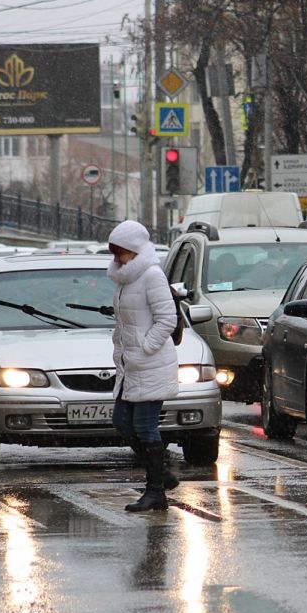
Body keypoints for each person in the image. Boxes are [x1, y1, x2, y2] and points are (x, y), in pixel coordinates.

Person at [107, 219, 179, 512]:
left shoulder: (151, 275)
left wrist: (145, 347)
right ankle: (160, 475)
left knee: (144, 426)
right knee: (122, 421)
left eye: (120, 251)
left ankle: (156, 491)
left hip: (151, 364)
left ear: (134, 250)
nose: (116, 258)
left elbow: (167, 319)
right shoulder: (126, 279)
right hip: (129, 365)